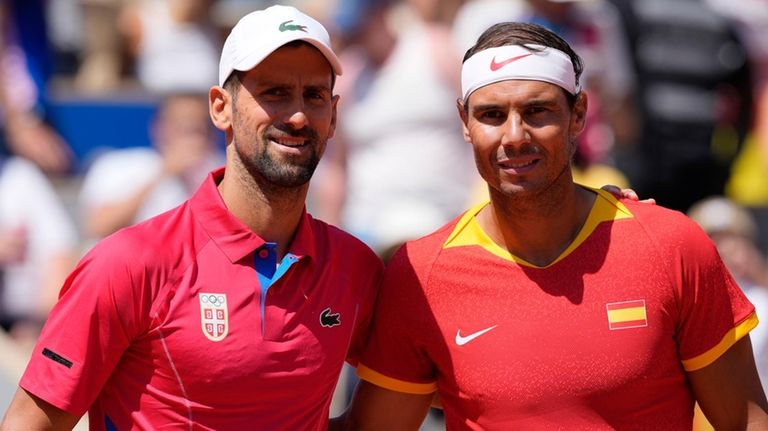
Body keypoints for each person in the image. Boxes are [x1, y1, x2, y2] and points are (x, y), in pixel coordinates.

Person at [335, 22, 768, 430]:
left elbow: (746, 420)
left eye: (537, 110)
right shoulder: (421, 275)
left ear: (578, 114)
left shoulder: (670, 244)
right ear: (465, 122)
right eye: (491, 115)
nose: (515, 135)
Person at [0, 5, 383, 429]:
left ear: (333, 115)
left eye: (313, 95)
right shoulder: (129, 262)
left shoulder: (356, 267)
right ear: (220, 108)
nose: (296, 115)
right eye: (273, 92)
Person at [78, 92, 223, 244]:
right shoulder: (118, 165)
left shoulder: (222, 171)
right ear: (160, 127)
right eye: (182, 127)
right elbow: (100, 226)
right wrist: (165, 172)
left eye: (198, 129)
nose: (191, 138)